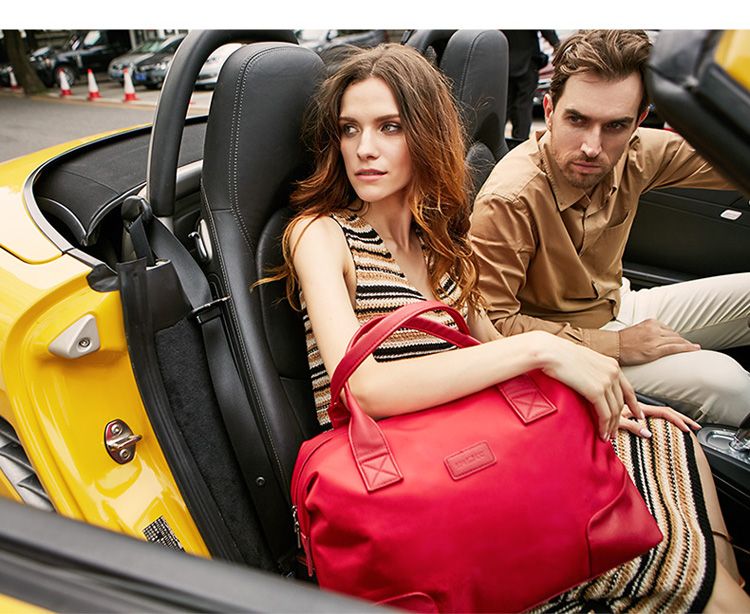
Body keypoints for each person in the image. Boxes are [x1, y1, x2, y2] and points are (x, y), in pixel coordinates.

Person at [269, 43, 748, 612]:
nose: (364, 149)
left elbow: (496, 354)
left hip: (482, 445)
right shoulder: (319, 234)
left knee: (671, 440)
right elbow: (364, 387)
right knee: (682, 568)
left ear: (425, 134)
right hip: (419, 479)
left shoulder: (441, 241)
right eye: (350, 129)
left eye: (389, 127)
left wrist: (610, 396)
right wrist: (541, 348)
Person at [471, 29, 750, 427]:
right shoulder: (510, 199)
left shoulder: (636, 154)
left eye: (615, 126)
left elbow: (734, 152)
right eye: (577, 120)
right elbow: (492, 327)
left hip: (620, 304)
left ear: (638, 122)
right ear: (549, 110)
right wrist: (617, 344)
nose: (592, 146)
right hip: (564, 346)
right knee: (731, 385)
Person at [502, 30, 560, 140]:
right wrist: (558, 46)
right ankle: (520, 140)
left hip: (507, 62)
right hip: (527, 62)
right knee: (523, 105)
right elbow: (546, 31)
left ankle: (497, 140)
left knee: (506, 104)